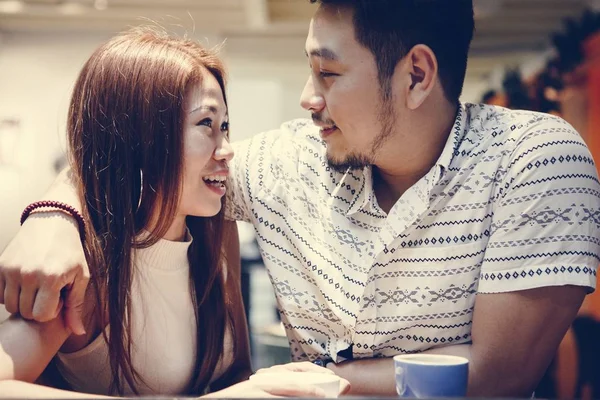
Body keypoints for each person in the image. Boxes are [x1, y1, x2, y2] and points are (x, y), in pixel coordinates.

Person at [1, 0, 599, 397]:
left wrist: (306, 380)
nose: (308, 98)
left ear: (417, 75)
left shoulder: (532, 159)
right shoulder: (285, 164)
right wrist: (53, 212)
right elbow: (139, 162)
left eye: (328, 74)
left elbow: (496, 375)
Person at [0, 27, 343, 398]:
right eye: (205, 124)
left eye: (224, 125)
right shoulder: (90, 264)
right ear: (140, 138)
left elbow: (234, 372)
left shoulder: (215, 231)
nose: (226, 148)